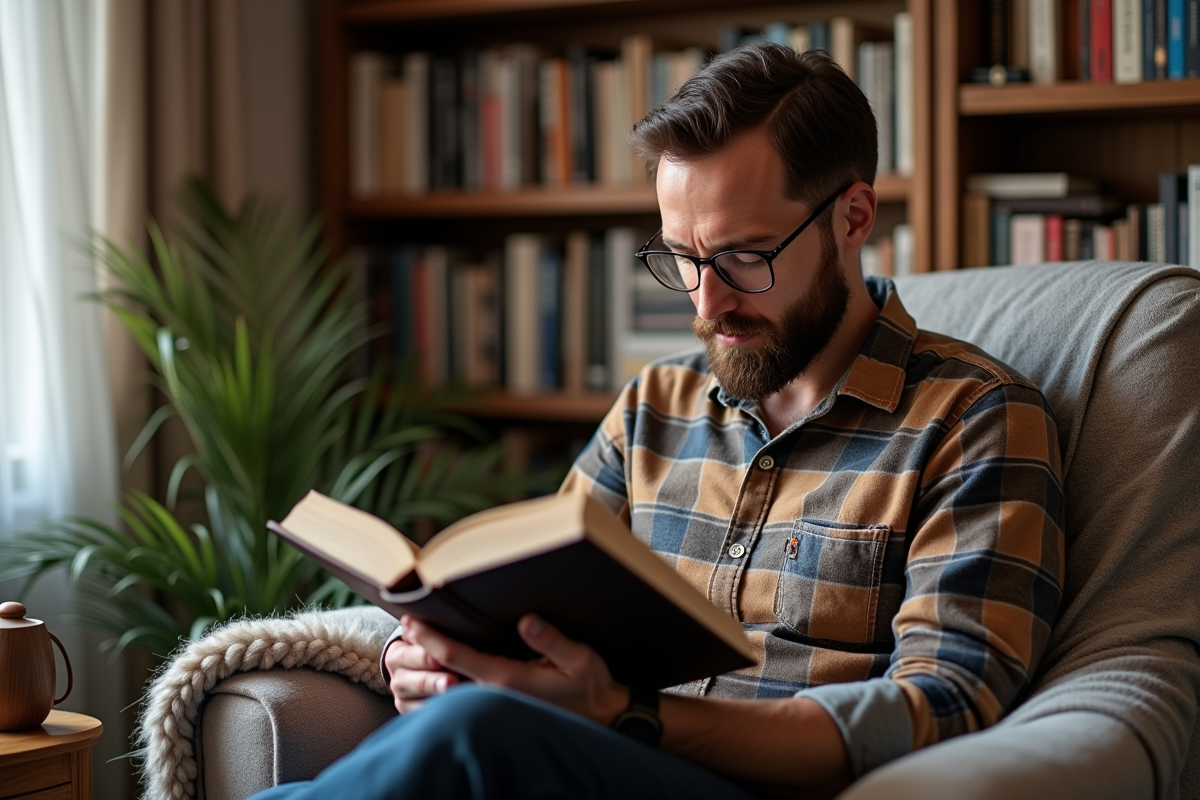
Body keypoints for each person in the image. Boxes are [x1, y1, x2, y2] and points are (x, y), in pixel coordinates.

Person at [251, 42, 1064, 799]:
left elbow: (948, 703)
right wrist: (428, 653)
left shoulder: (973, 417)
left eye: (747, 256)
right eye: (682, 258)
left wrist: (626, 715)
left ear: (853, 218)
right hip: (598, 763)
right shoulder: (655, 407)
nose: (708, 303)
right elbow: (528, 607)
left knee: (479, 733)